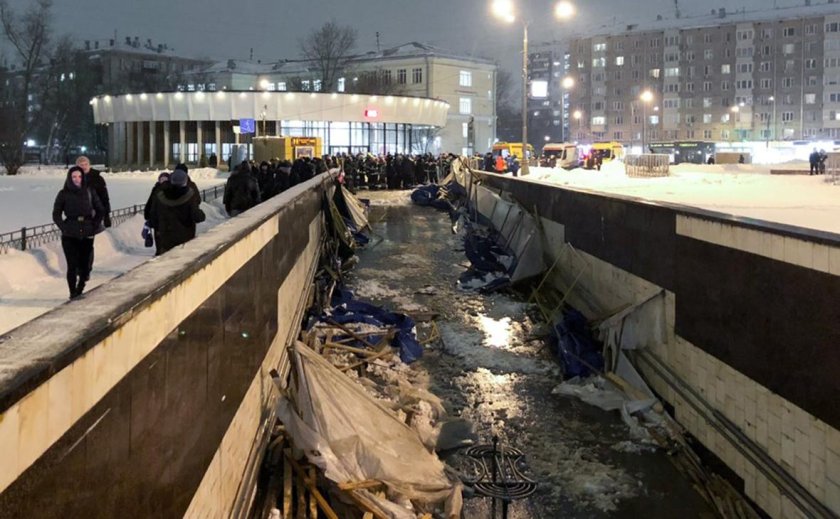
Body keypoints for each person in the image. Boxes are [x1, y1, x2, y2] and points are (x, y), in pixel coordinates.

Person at [52, 166, 105, 299]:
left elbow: (100, 209)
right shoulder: (63, 193)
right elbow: (56, 213)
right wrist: (64, 227)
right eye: (74, 177)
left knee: (85, 263)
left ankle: (81, 285)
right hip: (70, 232)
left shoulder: (89, 191)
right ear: (70, 178)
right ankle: (73, 292)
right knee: (72, 264)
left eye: (79, 176)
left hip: (87, 231)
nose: (77, 179)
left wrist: (94, 224)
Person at [147, 169, 206, 255]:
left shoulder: (160, 195)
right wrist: (201, 215)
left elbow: (153, 218)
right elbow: (197, 216)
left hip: (165, 240)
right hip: (185, 240)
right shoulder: (190, 196)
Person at [76, 155, 110, 281]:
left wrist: (106, 215)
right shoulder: (73, 178)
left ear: (89, 165)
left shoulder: (97, 179)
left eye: (85, 164)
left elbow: (104, 198)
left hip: (93, 216)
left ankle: (86, 269)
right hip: (76, 217)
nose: (83, 167)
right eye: (80, 165)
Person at [144, 172, 170, 255]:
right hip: (159, 219)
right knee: (160, 237)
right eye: (162, 179)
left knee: (161, 237)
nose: (163, 181)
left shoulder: (161, 189)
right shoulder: (157, 189)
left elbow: (150, 202)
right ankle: (160, 251)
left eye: (165, 179)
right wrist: (147, 213)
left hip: (162, 219)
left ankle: (161, 251)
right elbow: (150, 202)